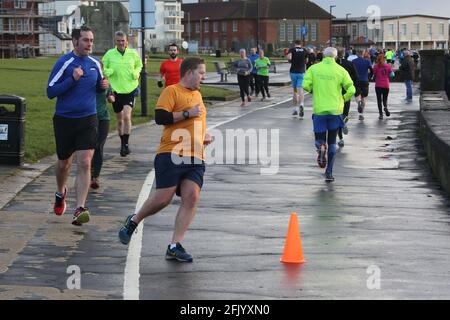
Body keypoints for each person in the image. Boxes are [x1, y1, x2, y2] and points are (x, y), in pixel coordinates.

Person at [118, 57, 213, 263]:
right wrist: (188, 113)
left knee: (192, 197)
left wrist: (203, 136)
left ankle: (174, 245)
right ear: (189, 72)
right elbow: (160, 117)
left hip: (196, 156)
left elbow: (196, 123)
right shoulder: (172, 91)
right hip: (171, 153)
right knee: (163, 198)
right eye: (201, 73)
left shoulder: (197, 95)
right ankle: (134, 221)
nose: (203, 77)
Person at [47, 26, 109, 225]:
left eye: (91, 40)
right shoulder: (64, 63)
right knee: (64, 164)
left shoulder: (95, 64)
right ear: (75, 41)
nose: (89, 44)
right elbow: (50, 91)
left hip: (88, 119)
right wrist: (72, 80)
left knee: (85, 162)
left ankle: (79, 208)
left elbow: (100, 87)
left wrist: (104, 88)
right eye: (85, 40)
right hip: (65, 119)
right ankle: (60, 192)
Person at [303, 47, 356, 182]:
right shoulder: (341, 70)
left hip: (320, 110)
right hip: (335, 111)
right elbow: (351, 88)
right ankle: (329, 172)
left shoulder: (314, 69)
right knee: (332, 141)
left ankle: (320, 146)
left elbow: (305, 85)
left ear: (322, 56)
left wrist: (312, 90)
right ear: (336, 57)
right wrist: (344, 98)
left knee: (319, 138)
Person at [102, 31, 142, 157]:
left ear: (127, 41)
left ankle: (125, 145)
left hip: (130, 89)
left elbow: (139, 65)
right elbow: (102, 68)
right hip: (115, 91)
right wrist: (109, 71)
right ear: (115, 41)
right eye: (118, 40)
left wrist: (136, 73)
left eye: (123, 40)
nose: (121, 43)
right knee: (119, 120)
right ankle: (122, 142)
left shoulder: (133, 54)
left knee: (126, 116)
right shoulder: (109, 54)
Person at [90, 68, 113, 190]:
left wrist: (111, 98)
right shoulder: (87, 82)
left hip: (104, 117)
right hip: (88, 118)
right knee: (89, 146)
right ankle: (88, 172)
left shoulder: (106, 82)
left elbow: (111, 95)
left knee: (99, 146)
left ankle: (95, 177)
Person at [336, 48, 358, 147]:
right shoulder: (349, 64)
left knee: (336, 115)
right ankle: (343, 122)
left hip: (335, 93)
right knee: (345, 113)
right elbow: (356, 77)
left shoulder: (334, 64)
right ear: (344, 54)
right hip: (346, 92)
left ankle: (340, 138)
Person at [287, 40, 308, 118]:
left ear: (295, 44)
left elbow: (289, 57)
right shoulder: (304, 50)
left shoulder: (292, 50)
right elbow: (306, 60)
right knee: (300, 89)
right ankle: (301, 104)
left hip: (293, 72)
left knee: (295, 91)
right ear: (301, 44)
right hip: (301, 72)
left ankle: (295, 109)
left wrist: (290, 60)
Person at [352, 49, 373, 121]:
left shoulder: (354, 61)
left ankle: (358, 103)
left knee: (358, 95)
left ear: (357, 54)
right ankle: (361, 113)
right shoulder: (367, 61)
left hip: (356, 81)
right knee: (363, 96)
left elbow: (351, 71)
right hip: (365, 80)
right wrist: (369, 77)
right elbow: (371, 70)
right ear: (363, 53)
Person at [373, 53, 394, 120]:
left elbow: (374, 74)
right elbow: (392, 74)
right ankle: (385, 107)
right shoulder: (388, 66)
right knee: (385, 99)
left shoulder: (376, 66)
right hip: (386, 85)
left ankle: (381, 114)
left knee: (379, 100)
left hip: (378, 85)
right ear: (384, 59)